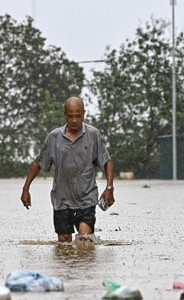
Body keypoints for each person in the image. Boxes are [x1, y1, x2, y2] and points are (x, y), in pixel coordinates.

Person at [21, 96, 115, 243]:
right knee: (64, 245)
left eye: (78, 116)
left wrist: (109, 188)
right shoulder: (54, 137)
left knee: (85, 241)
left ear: (84, 114)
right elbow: (38, 163)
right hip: (62, 200)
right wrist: (26, 189)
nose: (74, 120)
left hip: (86, 199)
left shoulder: (93, 135)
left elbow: (107, 162)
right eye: (70, 116)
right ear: (65, 114)